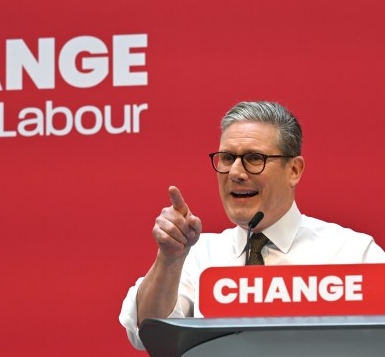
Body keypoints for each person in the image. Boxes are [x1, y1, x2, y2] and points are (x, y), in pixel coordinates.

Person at [119, 101, 385, 350]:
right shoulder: (196, 255)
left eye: (254, 158)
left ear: (293, 170)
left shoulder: (353, 253)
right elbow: (148, 333)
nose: (235, 172)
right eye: (227, 158)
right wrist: (169, 259)